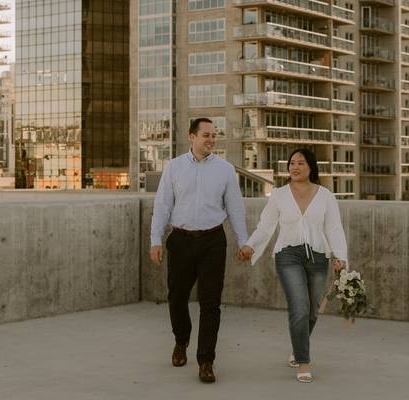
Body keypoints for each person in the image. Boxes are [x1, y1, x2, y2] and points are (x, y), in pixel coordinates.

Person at [149, 117, 248, 384]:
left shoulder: (226, 170)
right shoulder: (174, 167)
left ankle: (206, 360)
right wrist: (155, 240)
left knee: (210, 303)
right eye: (206, 135)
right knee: (177, 297)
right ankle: (181, 341)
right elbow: (162, 206)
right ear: (192, 137)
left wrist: (244, 241)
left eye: (214, 135)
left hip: (212, 242)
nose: (211, 139)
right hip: (180, 241)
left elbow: (235, 209)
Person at [237, 148, 348, 383]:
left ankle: (298, 347)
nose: (294, 167)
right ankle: (303, 362)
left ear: (310, 167)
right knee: (299, 307)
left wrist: (340, 256)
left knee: (312, 310)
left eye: (300, 163)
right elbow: (265, 227)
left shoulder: (326, 195)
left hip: (318, 256)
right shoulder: (279, 195)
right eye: (291, 163)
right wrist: (250, 246)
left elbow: (334, 228)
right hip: (288, 255)